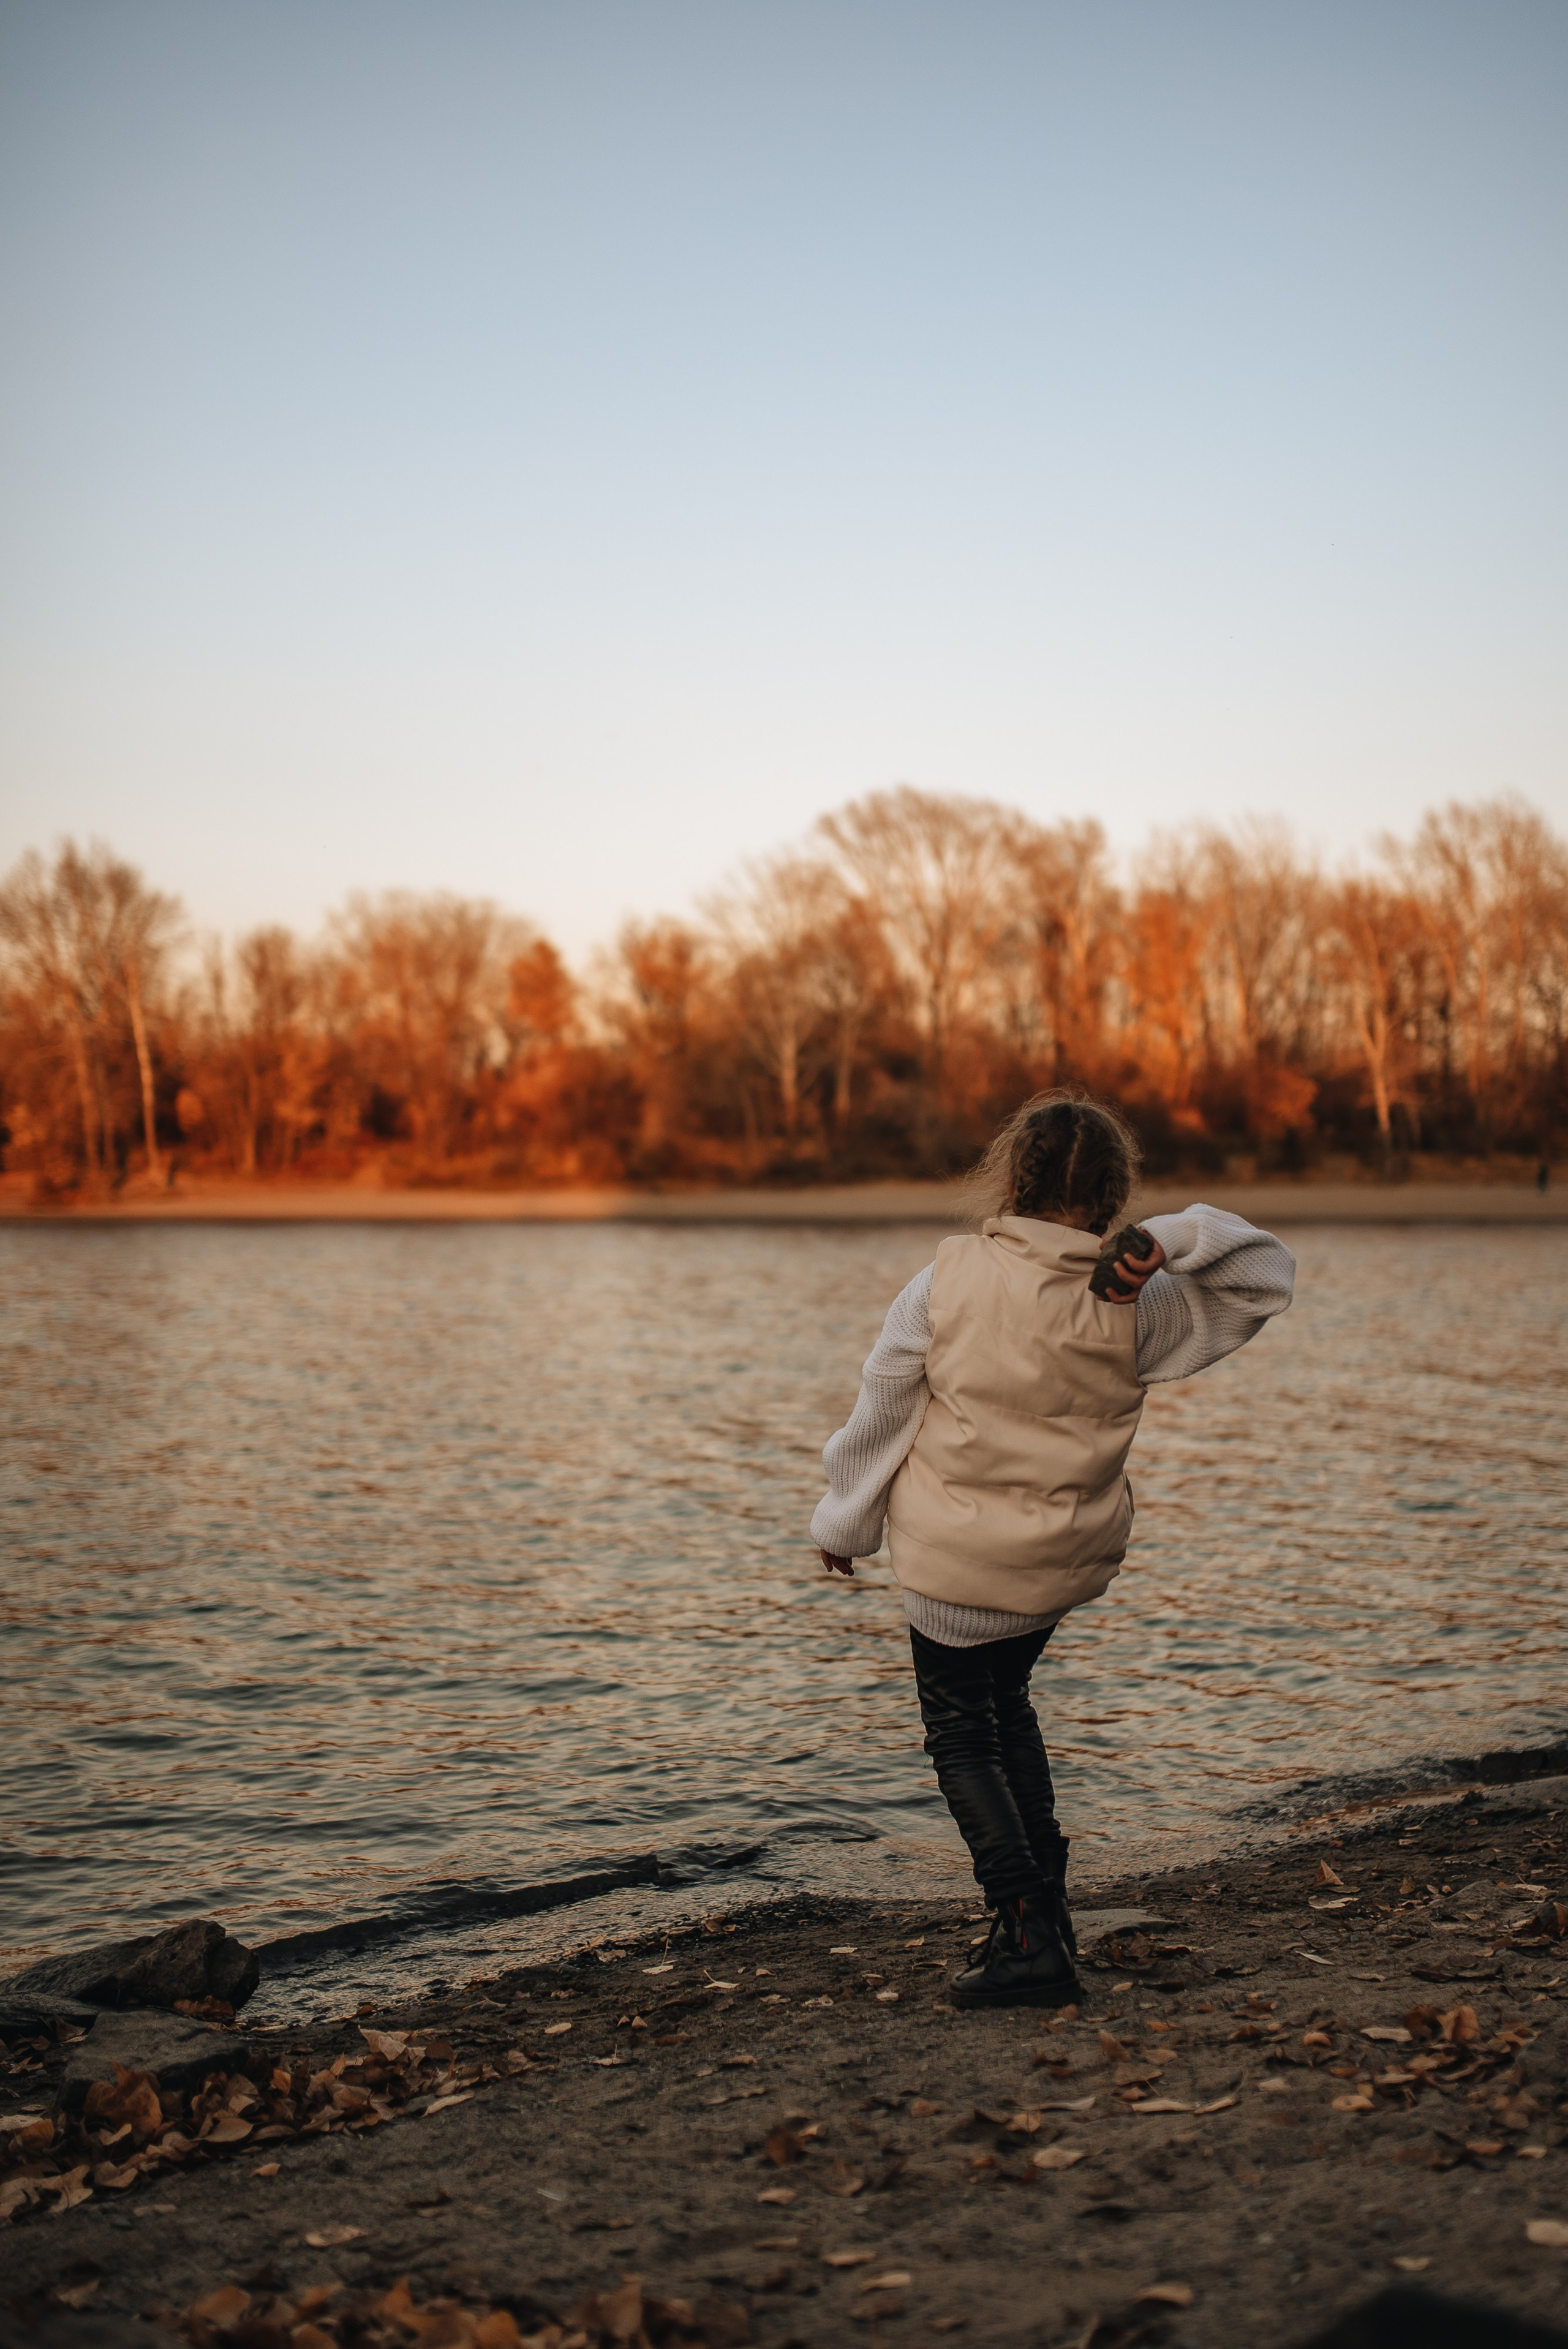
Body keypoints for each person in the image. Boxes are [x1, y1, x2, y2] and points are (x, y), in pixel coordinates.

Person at [810, 1091, 1296, 2010]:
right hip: (1059, 1571)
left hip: (954, 1571)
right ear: (1114, 1193)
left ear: (1011, 1177)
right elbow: (1266, 1276)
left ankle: (1026, 1929)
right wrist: (1173, 1237)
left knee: (961, 1737)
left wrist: (844, 1524)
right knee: (1009, 1710)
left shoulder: (942, 1282)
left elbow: (882, 1410)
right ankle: (1050, 1917)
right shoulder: (1137, 1299)